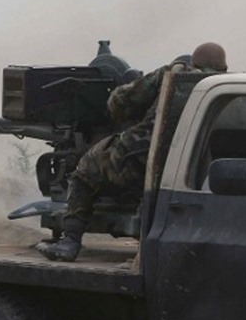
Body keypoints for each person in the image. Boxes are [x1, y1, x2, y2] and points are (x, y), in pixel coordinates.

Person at [37, 42, 228, 262]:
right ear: (224, 67)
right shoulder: (225, 87)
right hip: (193, 170)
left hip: (142, 157)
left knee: (85, 170)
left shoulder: (174, 74)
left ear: (194, 62)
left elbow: (119, 103)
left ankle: (70, 241)